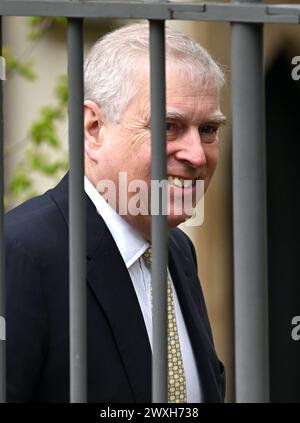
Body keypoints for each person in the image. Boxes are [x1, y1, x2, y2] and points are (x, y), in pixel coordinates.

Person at [5, 23, 226, 402]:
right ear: (93, 129)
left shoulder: (177, 250)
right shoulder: (21, 252)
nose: (197, 154)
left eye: (208, 129)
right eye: (169, 127)